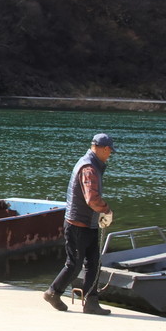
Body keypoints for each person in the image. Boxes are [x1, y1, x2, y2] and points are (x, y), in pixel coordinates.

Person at [43, 133, 116, 315]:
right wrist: (106, 210)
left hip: (88, 224)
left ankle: (91, 302)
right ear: (101, 148)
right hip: (77, 225)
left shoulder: (90, 164)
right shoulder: (89, 168)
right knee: (74, 264)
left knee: (93, 263)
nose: (109, 155)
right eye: (108, 151)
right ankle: (53, 292)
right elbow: (91, 198)